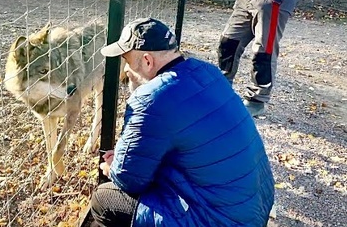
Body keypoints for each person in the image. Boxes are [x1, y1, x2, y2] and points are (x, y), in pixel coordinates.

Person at [90, 17, 275, 226]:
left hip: (219, 219)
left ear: (148, 61)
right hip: (255, 206)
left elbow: (128, 179)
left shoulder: (150, 99)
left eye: (128, 62)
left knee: (104, 198)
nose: (125, 70)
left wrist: (113, 166)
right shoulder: (208, 72)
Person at [218, 0, 321, 117]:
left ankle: (256, 100)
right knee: (228, 43)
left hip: (272, 0)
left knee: (263, 52)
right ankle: (222, 90)